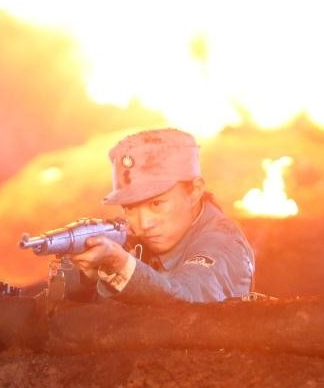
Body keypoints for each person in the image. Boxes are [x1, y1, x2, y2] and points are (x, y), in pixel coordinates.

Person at [71, 128, 255, 304]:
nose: (144, 223)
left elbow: (188, 302)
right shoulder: (135, 240)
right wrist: (90, 281)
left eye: (156, 203)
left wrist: (123, 266)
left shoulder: (221, 244)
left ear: (194, 191)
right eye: (130, 208)